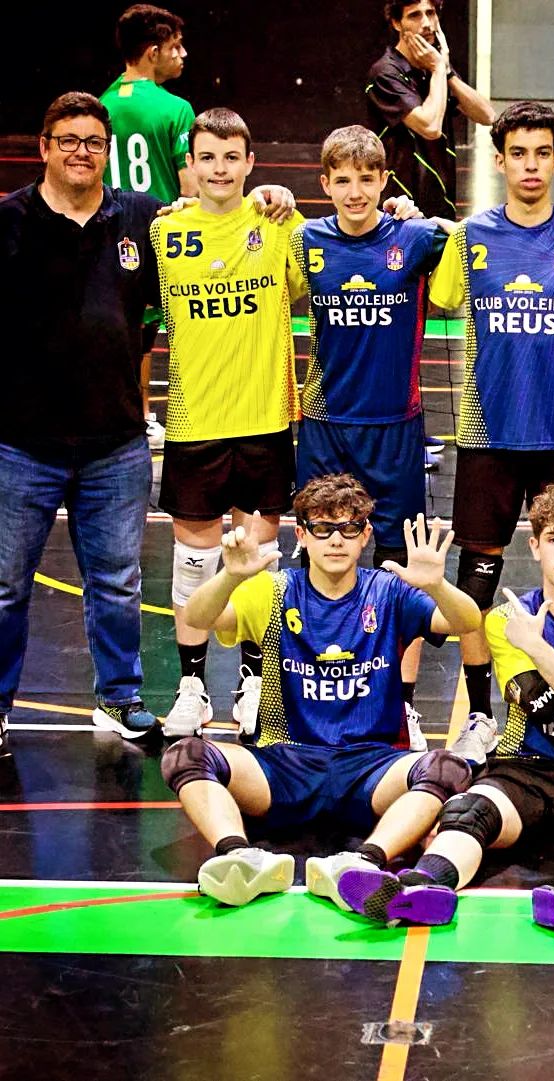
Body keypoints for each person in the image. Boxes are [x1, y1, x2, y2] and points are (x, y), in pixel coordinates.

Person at [335, 483, 554, 935]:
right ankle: (422, 888)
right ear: (535, 546)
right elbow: (541, 707)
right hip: (525, 770)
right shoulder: (509, 618)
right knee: (468, 811)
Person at [163, 473, 481, 911]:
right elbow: (199, 617)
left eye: (349, 528)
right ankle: (239, 858)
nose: (337, 540)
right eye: (323, 528)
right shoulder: (275, 591)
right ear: (303, 534)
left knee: (447, 767)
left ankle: (362, 865)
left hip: (371, 767)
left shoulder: (387, 591)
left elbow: (466, 623)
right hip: (286, 763)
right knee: (186, 755)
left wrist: (437, 586)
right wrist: (229, 577)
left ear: (365, 534)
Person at [426, 101, 554, 755]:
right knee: (476, 577)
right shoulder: (470, 236)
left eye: (541, 154)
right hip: (486, 435)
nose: (529, 166)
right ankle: (481, 713)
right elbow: (437, 291)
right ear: (498, 161)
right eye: (517, 154)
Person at [0, 92, 161, 754]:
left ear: (108, 149)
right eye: (67, 140)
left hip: (115, 441)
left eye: (93, 141)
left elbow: (211, 224)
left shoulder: (140, 217)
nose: (81, 152)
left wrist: (272, 201)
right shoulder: (8, 221)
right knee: (6, 585)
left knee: (118, 582)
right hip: (22, 443)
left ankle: (120, 696)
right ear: (43, 147)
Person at [291, 124, 449, 755]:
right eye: (342, 180)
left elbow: (465, 240)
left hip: (396, 430)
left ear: (384, 180)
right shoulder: (306, 243)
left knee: (401, 569)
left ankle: (401, 705)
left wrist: (424, 213)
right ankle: (296, 696)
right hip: (326, 427)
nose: (355, 191)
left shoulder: (412, 238)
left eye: (366, 178)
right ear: (325, 184)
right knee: (316, 562)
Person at [150, 107, 306, 738]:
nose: (218, 168)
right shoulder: (165, 234)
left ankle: (251, 683)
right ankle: (191, 685)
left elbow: (322, 272)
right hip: (194, 423)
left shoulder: (277, 223)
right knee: (193, 564)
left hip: (265, 418)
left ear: (249, 164)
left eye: (230, 157)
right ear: (191, 164)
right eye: (206, 157)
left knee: (257, 565)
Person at [99, 4, 197, 451]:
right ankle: (142, 417)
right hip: (159, 233)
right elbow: (190, 187)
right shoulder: (175, 109)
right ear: (153, 51)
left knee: (118, 327)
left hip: (106, 230)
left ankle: (124, 413)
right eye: (175, 47)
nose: (183, 55)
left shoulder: (99, 105)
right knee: (150, 332)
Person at [366, 0, 495, 220]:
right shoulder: (385, 73)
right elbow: (430, 126)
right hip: (398, 210)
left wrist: (447, 73)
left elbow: (487, 115)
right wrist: (438, 69)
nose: (427, 23)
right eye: (415, 16)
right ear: (397, 23)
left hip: (440, 205)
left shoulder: (435, 69)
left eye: (431, 13)